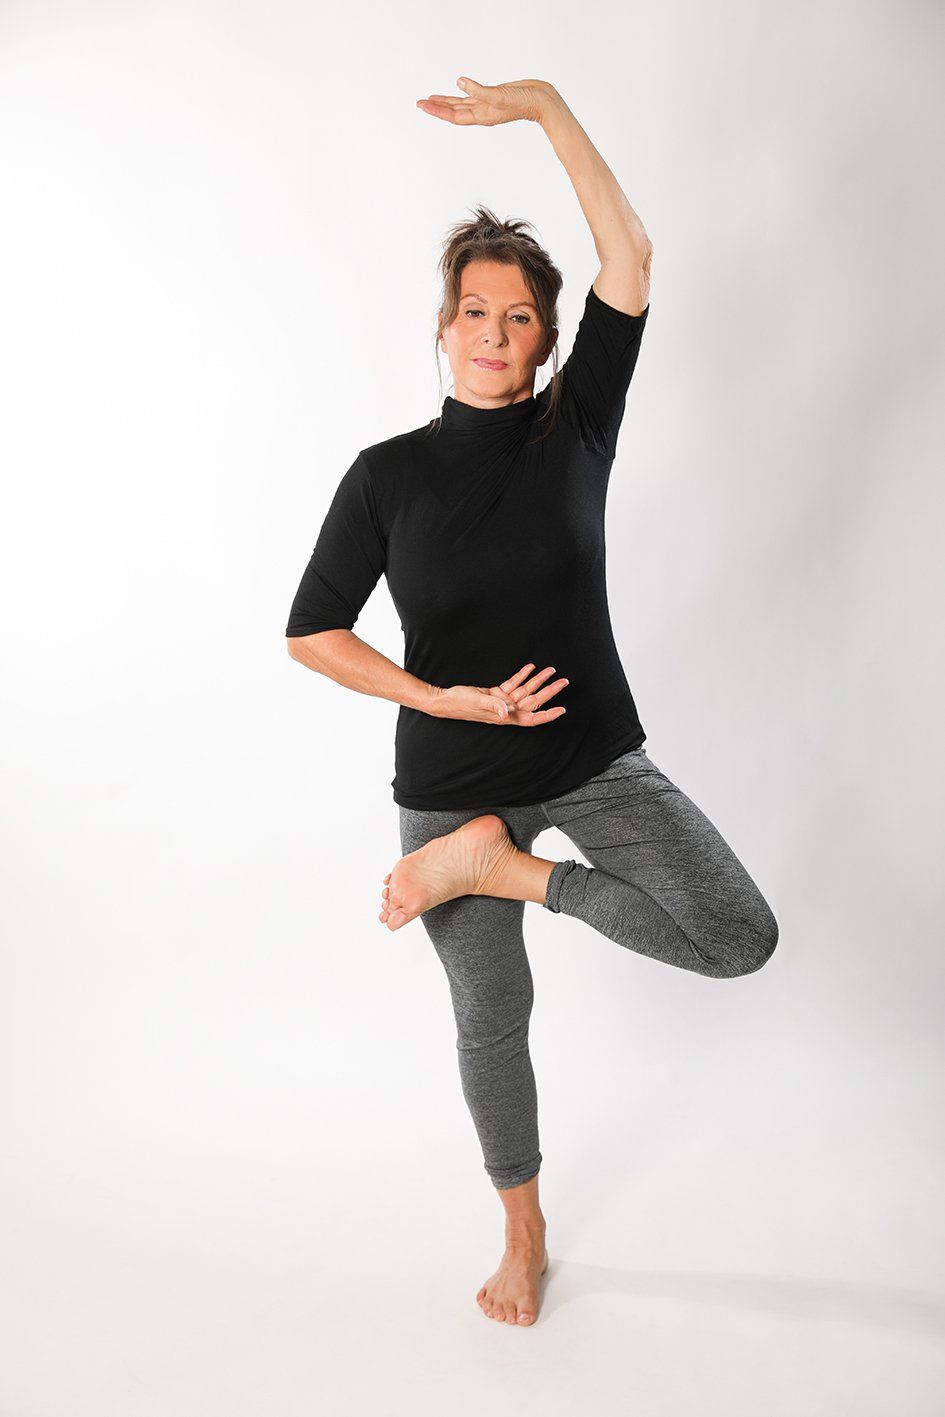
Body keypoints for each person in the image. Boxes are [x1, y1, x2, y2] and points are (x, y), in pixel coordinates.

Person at [285, 77, 779, 1328]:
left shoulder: (577, 428)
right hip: (451, 782)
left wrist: (548, 108)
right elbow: (313, 633)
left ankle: (507, 871)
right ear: (443, 327)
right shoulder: (385, 477)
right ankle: (525, 1230)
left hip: (591, 759)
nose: (494, 332)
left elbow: (631, 254)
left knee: (738, 936)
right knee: (493, 1020)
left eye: (518, 316)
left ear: (548, 340)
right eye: (475, 312)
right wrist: (442, 697)